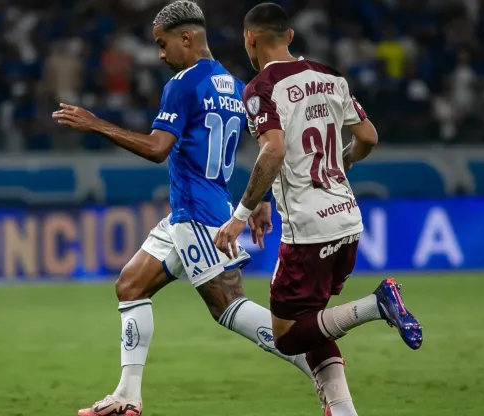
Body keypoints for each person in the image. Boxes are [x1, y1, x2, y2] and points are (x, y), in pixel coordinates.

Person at [52, 2, 315, 415]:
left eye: (162, 43)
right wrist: (262, 200)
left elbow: (158, 149)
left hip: (199, 214)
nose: (160, 54)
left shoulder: (183, 83)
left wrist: (95, 124)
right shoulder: (233, 84)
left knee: (228, 307)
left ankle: (313, 358)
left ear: (186, 37)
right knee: (131, 285)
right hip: (191, 209)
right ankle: (127, 396)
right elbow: (265, 144)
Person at [213, 4, 423, 416]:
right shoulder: (331, 76)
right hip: (346, 219)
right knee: (312, 324)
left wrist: (240, 215)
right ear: (290, 36)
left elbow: (273, 151)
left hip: (309, 232)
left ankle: (376, 304)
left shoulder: (261, 88)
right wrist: (334, 169)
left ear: (249, 40)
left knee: (289, 337)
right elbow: (368, 137)